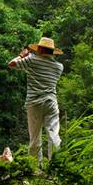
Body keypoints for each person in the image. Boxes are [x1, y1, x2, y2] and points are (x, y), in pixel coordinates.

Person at [8, 37, 64, 165]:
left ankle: (35, 166)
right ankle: (55, 164)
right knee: (53, 133)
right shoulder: (59, 67)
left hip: (34, 102)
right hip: (51, 102)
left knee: (35, 137)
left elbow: (11, 64)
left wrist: (21, 56)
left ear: (40, 49)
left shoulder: (32, 60)